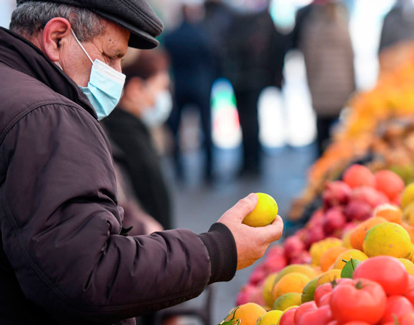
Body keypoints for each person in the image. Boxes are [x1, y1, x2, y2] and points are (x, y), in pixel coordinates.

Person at [0, 1, 284, 324]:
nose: (118, 75)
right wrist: (219, 249)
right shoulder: (49, 116)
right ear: (57, 38)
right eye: (110, 56)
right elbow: (88, 275)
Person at [103, 49, 174, 231]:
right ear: (135, 89)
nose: (163, 98)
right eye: (160, 89)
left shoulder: (131, 128)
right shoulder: (127, 136)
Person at [222, 1, 289, 177]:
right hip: (255, 78)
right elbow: (278, 48)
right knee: (251, 120)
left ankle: (249, 163)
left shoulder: (234, 21)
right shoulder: (262, 20)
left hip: (242, 79)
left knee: (246, 121)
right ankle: (254, 162)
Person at [291, 0, 355, 157]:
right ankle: (333, 159)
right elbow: (350, 57)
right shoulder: (341, 25)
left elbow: (309, 59)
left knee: (323, 129)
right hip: (341, 85)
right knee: (337, 129)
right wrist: (352, 85)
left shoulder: (312, 27)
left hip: (320, 86)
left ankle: (323, 161)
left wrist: (310, 84)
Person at [164, 1, 217, 184]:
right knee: (206, 128)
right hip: (200, 86)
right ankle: (209, 171)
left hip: (178, 87)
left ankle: (180, 170)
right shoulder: (202, 35)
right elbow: (211, 59)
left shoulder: (171, 37)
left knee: (175, 130)